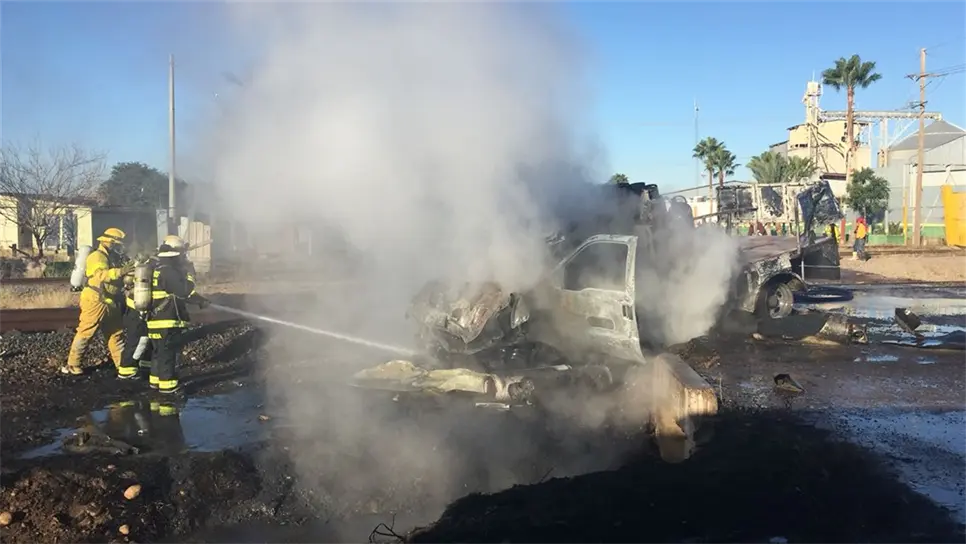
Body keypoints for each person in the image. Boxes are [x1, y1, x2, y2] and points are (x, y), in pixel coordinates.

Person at [62, 228, 134, 376]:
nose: (119, 247)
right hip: (96, 299)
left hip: (110, 300)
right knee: (87, 331)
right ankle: (73, 364)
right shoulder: (97, 257)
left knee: (116, 334)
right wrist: (121, 271)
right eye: (117, 244)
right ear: (109, 242)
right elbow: (102, 275)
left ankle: (123, 366)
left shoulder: (112, 257)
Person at [146, 236, 209, 394]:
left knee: (158, 354)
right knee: (168, 354)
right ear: (176, 254)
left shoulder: (157, 268)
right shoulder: (169, 271)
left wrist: (200, 301)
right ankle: (168, 388)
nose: (183, 257)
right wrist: (189, 275)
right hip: (167, 321)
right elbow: (184, 291)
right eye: (181, 253)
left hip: (155, 321)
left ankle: (155, 383)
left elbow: (179, 294)